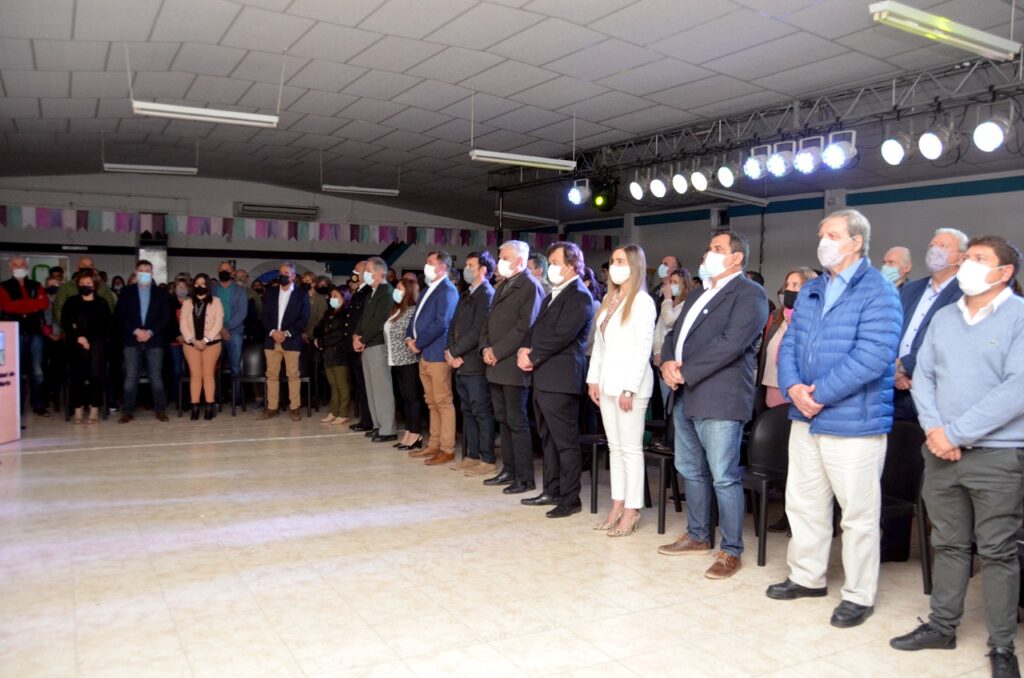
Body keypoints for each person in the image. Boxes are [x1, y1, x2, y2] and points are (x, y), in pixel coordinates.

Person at [889, 235, 1024, 678]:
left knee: (997, 551)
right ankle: (942, 626)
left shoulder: (1020, 317)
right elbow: (923, 376)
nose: (967, 265)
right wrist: (935, 430)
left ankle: (1001, 645)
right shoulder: (945, 317)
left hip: (996, 456)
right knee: (947, 543)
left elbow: (1016, 390)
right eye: (966, 258)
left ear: (1004, 272)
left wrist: (956, 433)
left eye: (979, 259)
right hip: (940, 451)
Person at [766, 209, 902, 629]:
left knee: (858, 514)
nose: (823, 241)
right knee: (804, 503)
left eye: (832, 235)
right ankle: (807, 577)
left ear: (856, 242)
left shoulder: (878, 290)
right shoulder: (811, 290)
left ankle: (859, 595)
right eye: (821, 234)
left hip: (854, 421)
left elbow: (873, 355)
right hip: (804, 416)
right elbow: (789, 345)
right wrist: (793, 387)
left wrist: (818, 395)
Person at [657, 231, 768, 579]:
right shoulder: (699, 293)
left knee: (723, 476)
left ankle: (731, 550)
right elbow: (674, 334)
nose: (709, 254)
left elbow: (731, 343)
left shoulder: (749, 293)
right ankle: (698, 535)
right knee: (690, 469)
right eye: (709, 249)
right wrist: (668, 362)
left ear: (736, 257)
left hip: (720, 397)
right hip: (685, 394)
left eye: (718, 249)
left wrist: (685, 371)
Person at [517, 241, 595, 517]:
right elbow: (535, 329)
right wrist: (524, 348)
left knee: (565, 442)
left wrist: (533, 355)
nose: (550, 267)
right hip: (543, 377)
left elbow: (562, 335)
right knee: (547, 439)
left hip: (561, 379)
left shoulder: (579, 295)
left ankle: (570, 498)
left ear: (572, 265)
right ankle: (551, 489)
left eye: (555, 263)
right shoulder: (553, 295)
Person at [587, 244, 656, 535]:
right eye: (613, 261)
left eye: (620, 261)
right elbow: (600, 347)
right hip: (607, 383)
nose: (614, 266)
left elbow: (643, 349)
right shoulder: (610, 299)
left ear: (634, 266)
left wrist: (629, 389)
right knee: (614, 448)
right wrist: (593, 379)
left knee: (630, 449)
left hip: (631, 386)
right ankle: (617, 504)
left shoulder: (642, 301)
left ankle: (632, 509)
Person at [480, 240, 544, 491]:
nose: (500, 262)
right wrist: (485, 348)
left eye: (505, 257)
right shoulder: (502, 286)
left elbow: (524, 327)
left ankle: (524, 477)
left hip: (513, 365)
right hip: (495, 364)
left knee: (517, 422)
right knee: (503, 420)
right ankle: (508, 469)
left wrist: (497, 351)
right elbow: (488, 321)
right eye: (500, 257)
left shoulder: (530, 286)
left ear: (520, 260)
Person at [893, 228, 967, 421]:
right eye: (932, 245)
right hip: (895, 390)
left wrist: (904, 366)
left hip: (934, 394)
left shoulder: (964, 294)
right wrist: (893, 370)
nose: (935, 250)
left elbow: (950, 341)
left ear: (961, 258)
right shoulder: (910, 289)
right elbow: (891, 330)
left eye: (943, 246)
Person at [406, 251, 459, 465]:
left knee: (443, 402)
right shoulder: (427, 289)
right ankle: (434, 444)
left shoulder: (448, 290)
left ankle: (447, 448)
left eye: (430, 262)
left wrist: (418, 342)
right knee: (431, 402)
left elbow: (441, 323)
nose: (426, 265)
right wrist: (409, 337)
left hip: (437, 353)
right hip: (424, 353)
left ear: (442, 267)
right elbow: (415, 317)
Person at [446, 251, 496, 475]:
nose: (466, 269)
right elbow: (453, 324)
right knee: (467, 410)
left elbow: (478, 330)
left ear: (483, 269)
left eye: (470, 265)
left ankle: (487, 458)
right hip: (459, 363)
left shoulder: (487, 294)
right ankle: (472, 454)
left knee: (481, 411)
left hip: (474, 363)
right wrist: (449, 351)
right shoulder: (466, 294)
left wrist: (455, 351)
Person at [115, 260, 170, 423]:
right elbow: (120, 315)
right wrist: (136, 331)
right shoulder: (127, 291)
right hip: (132, 339)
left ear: (152, 273)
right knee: (131, 376)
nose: (144, 274)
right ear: (136, 272)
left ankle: (160, 409)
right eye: (141, 270)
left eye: (147, 271)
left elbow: (165, 317)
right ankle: (127, 411)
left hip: (155, 340)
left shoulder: (161, 293)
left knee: (156, 376)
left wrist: (150, 332)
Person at [258, 262, 310, 421]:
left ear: (293, 276)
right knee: (271, 375)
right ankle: (272, 408)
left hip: (291, 340)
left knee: (293, 375)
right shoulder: (271, 292)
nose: (282, 276)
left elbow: (303, 319)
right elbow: (264, 316)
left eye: (286, 273)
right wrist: (273, 332)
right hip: (271, 339)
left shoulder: (301, 294)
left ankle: (295, 408)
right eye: (281, 273)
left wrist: (286, 334)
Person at [760, 268, 819, 410]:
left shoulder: (816, 318)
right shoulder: (776, 316)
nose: (789, 289)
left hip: (799, 389)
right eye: (787, 285)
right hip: (771, 385)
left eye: (796, 285)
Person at [0, 256, 51, 417]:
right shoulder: (3, 286)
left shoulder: (36, 285)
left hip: (35, 331)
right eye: (16, 265)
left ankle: (39, 405)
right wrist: (31, 304)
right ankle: (16, 406)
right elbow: (7, 306)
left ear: (27, 267)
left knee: (37, 371)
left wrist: (21, 305)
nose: (19, 267)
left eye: (22, 264)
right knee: (15, 371)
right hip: (13, 332)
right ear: (10, 267)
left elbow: (43, 304)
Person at [353, 257, 397, 442]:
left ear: (380, 272)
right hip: (367, 344)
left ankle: (388, 429)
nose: (365, 274)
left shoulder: (386, 292)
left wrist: (362, 339)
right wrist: (356, 335)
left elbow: (379, 321)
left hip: (378, 344)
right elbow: (364, 318)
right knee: (371, 389)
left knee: (382, 389)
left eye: (369, 270)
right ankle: (377, 425)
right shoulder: (372, 292)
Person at [62, 271, 110, 424]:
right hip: (76, 343)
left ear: (94, 285)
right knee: (77, 377)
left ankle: (94, 408)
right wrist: (79, 337)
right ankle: (78, 408)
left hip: (96, 345)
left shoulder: (101, 303)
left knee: (96, 376)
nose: (85, 286)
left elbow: (104, 325)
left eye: (88, 283)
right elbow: (66, 322)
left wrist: (88, 339)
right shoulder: (71, 302)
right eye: (82, 284)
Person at [179, 273, 224, 421]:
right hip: (191, 344)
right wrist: (193, 340)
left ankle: (210, 405)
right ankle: (195, 406)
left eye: (203, 283)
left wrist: (205, 340)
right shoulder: (187, 302)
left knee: (208, 374)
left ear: (208, 286)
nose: (200, 286)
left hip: (211, 343)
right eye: (197, 283)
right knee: (195, 375)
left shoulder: (216, 302)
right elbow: (183, 324)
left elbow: (218, 323)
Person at [386, 278, 423, 449]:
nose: (396, 291)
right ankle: (408, 431)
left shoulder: (412, 311)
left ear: (408, 291)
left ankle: (415, 433)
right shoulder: (397, 310)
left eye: (399, 288)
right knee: (405, 398)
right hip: (396, 361)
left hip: (408, 360)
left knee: (412, 397)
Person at [652, 268, 693, 406]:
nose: (671, 286)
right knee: (665, 403)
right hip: (662, 359)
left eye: (675, 282)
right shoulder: (669, 303)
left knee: (674, 404)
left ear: (684, 285)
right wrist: (657, 352)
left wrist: (667, 299)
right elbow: (658, 329)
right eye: (670, 282)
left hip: (675, 360)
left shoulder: (686, 305)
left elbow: (670, 320)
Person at [314, 287, 354, 426]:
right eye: (331, 296)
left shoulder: (346, 314)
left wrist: (323, 342)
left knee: (342, 385)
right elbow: (318, 329)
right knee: (333, 385)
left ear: (344, 297)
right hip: (327, 353)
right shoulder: (328, 313)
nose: (333, 299)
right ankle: (334, 411)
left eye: (336, 296)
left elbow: (339, 335)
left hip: (339, 353)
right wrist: (319, 339)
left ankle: (343, 413)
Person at [213, 261, 248, 406]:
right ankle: (216, 397)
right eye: (221, 269)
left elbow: (242, 313)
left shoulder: (240, 290)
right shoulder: (212, 289)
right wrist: (219, 329)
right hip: (214, 333)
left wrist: (226, 328)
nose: (224, 272)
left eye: (227, 270)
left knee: (235, 367)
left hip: (234, 332)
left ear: (232, 272)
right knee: (214, 366)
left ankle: (237, 397)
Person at [347, 261, 375, 433]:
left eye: (357, 271)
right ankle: (366, 418)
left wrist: (360, 339)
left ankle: (368, 420)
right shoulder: (359, 291)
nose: (354, 274)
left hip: (362, 343)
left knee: (366, 385)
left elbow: (366, 319)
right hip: (354, 343)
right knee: (360, 384)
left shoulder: (368, 292)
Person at [54, 257, 115, 326]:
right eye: (84, 265)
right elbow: (59, 309)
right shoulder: (66, 287)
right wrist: (68, 326)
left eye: (90, 265)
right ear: (78, 267)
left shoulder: (103, 286)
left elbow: (110, 307)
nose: (87, 267)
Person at [169, 279, 190, 404]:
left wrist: (187, 336)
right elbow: (169, 321)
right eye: (179, 287)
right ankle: (177, 397)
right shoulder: (170, 302)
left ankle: (189, 397)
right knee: (177, 369)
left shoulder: (192, 302)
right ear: (174, 289)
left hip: (190, 341)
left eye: (184, 286)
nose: (181, 289)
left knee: (189, 369)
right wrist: (178, 335)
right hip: (175, 341)